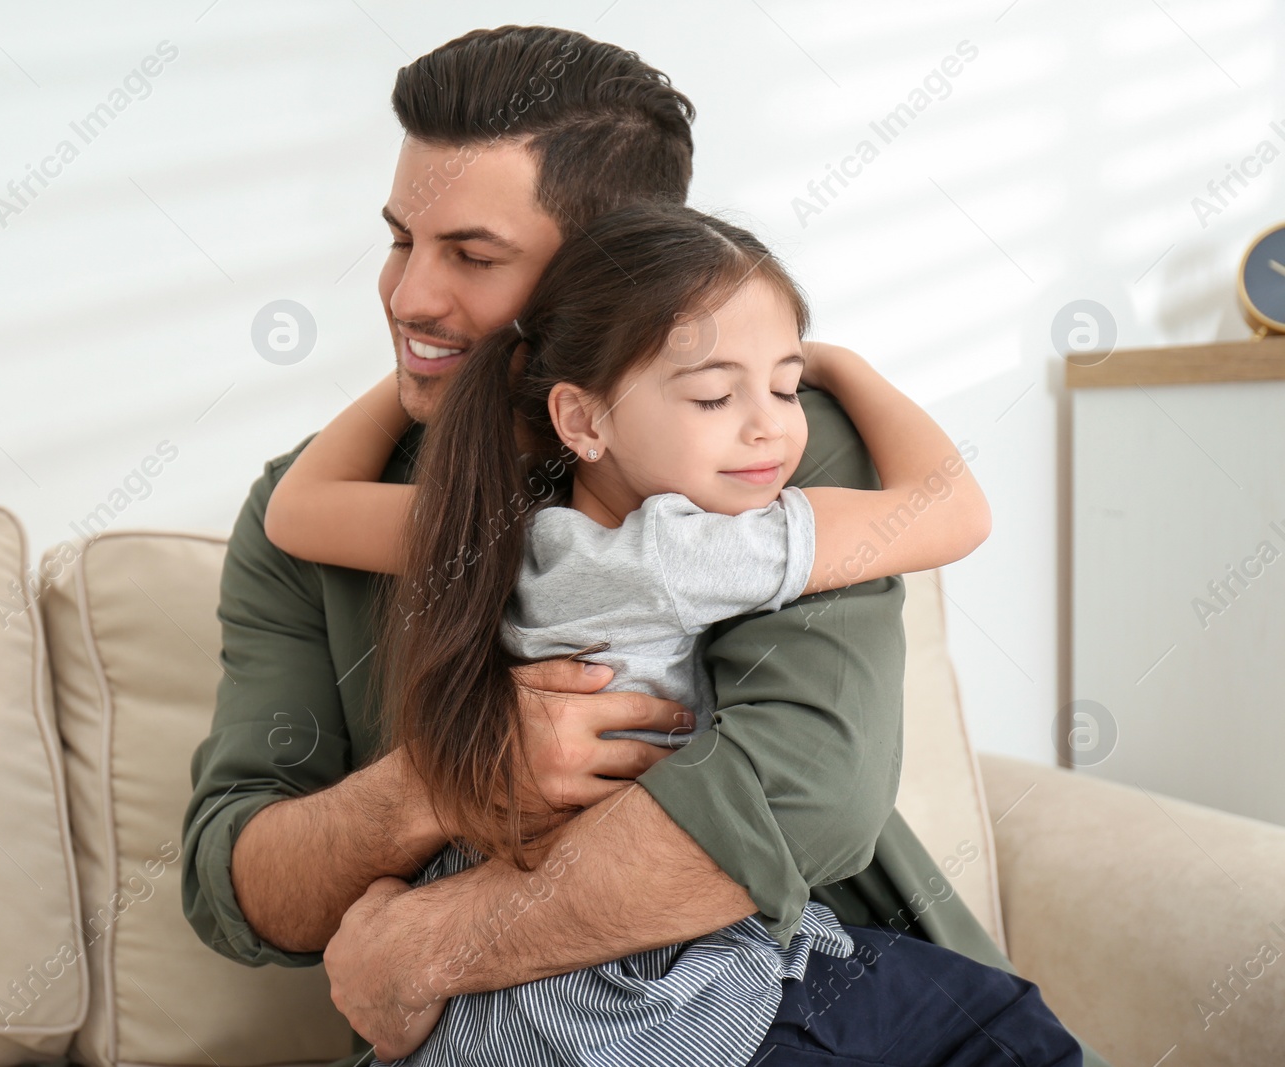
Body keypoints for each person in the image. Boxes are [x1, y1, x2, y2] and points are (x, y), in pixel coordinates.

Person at [181, 24, 1111, 1067]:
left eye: (471, 256)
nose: (404, 296)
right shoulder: (354, 501)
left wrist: (428, 945)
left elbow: (807, 792)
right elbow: (233, 882)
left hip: (785, 993)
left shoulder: (757, 454)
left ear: (611, 271)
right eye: (401, 239)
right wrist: (447, 777)